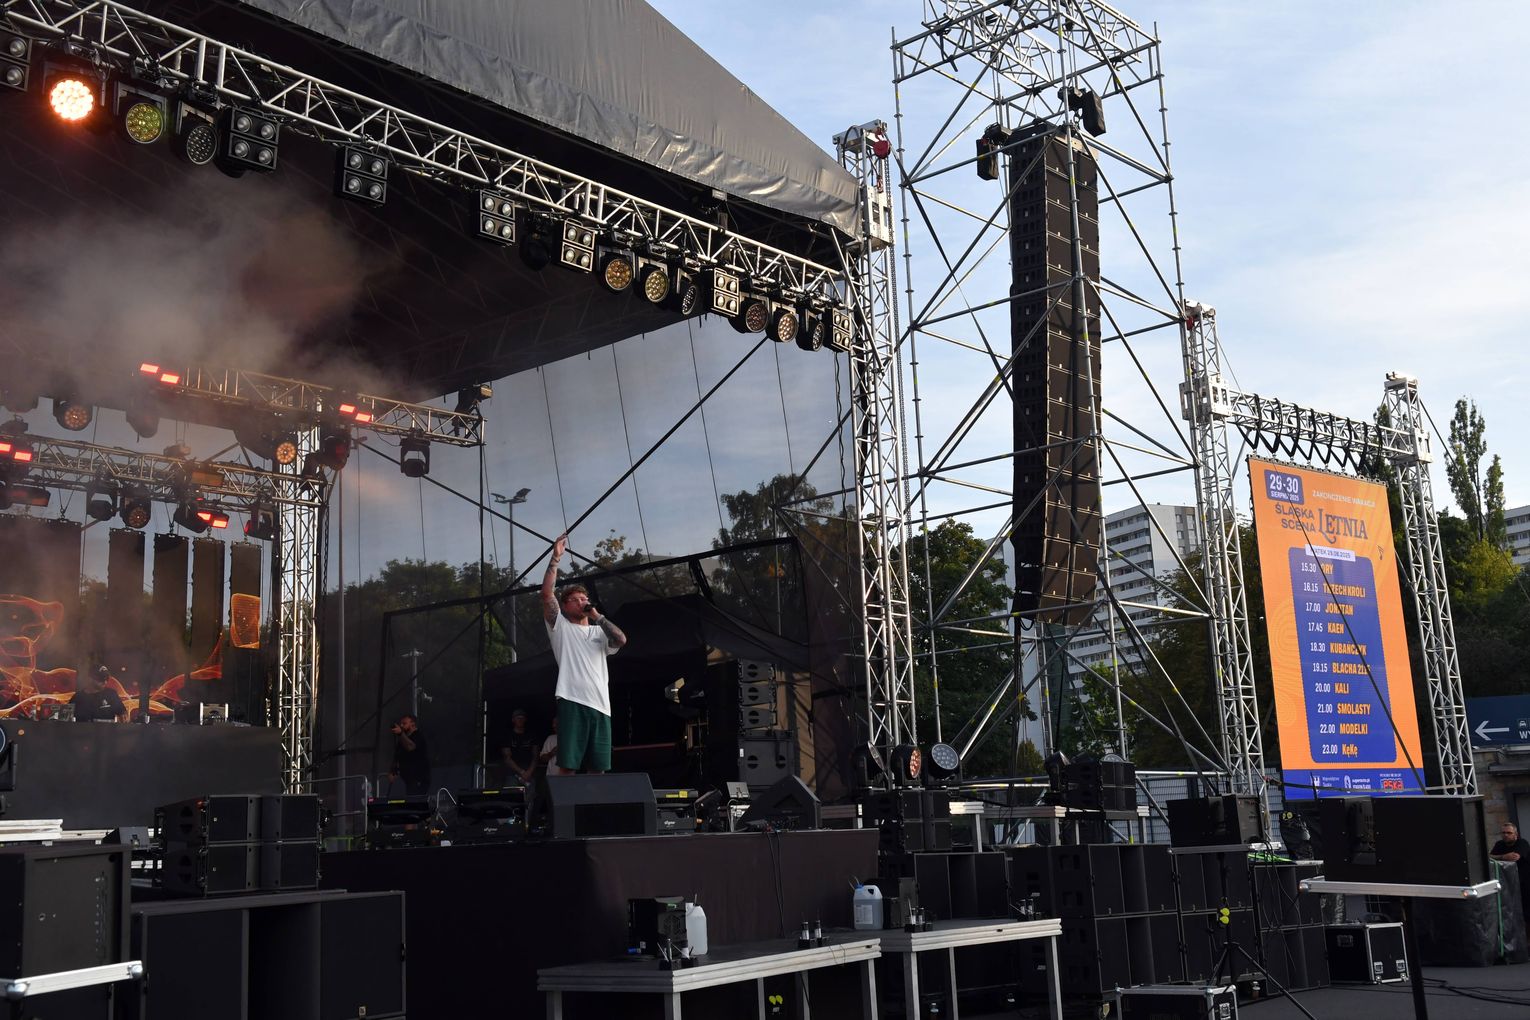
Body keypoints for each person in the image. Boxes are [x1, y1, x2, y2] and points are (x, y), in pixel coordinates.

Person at [541, 533, 627, 773]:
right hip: (572, 700)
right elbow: (547, 595)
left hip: (601, 705)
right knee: (568, 766)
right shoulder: (560, 627)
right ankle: (564, 799)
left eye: (584, 598)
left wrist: (597, 616)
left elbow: (621, 640)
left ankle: (595, 799)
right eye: (575, 599)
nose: (581, 602)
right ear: (565, 605)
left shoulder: (600, 631)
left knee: (598, 768)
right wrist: (555, 558)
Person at [390, 715, 431, 795]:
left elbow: (410, 747)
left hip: (419, 778)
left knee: (414, 798)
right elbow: (397, 756)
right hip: (407, 778)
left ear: (413, 723)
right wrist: (392, 771)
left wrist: (400, 733)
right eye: (401, 724)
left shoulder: (418, 736)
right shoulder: (402, 739)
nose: (401, 725)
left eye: (404, 723)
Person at [500, 708, 539, 788]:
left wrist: (529, 772)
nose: (520, 720)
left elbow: (536, 756)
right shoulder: (507, 736)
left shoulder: (532, 735)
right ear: (513, 720)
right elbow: (507, 758)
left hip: (529, 773)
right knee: (511, 795)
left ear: (525, 720)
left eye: (522, 718)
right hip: (512, 774)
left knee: (530, 795)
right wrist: (522, 772)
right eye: (518, 718)